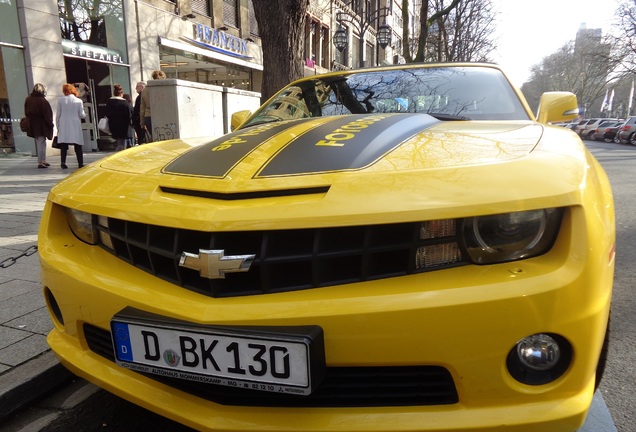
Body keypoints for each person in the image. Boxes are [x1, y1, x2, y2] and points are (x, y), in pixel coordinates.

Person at [56, 83, 86, 169]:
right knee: (78, 144)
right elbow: (81, 114)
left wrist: (58, 126)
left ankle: (63, 162)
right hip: (75, 124)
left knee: (64, 145)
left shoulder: (60, 100)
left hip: (64, 124)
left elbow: (58, 114)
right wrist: (85, 115)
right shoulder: (78, 101)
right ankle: (80, 163)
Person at [24, 83, 54, 168]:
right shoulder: (43, 101)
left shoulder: (28, 99)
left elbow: (26, 112)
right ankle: (41, 161)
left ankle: (43, 160)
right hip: (41, 124)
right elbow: (47, 115)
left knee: (40, 141)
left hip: (33, 123)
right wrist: (50, 124)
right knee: (41, 142)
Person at [139, 70, 166, 142]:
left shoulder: (145, 90)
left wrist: (142, 123)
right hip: (161, 116)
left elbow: (142, 107)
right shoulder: (164, 88)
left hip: (148, 117)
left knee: (155, 138)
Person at [106, 84, 132, 152]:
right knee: (122, 143)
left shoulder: (109, 101)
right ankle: (117, 155)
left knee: (119, 142)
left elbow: (107, 113)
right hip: (123, 125)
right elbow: (129, 115)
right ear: (121, 93)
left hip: (113, 124)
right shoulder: (125, 102)